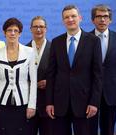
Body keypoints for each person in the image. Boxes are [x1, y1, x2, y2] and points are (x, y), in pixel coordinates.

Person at [45, 5, 103, 135]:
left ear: (80, 18)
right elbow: (51, 75)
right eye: (66, 17)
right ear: (63, 21)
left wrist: (94, 103)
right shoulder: (56, 42)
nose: (70, 19)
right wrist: (49, 102)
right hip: (60, 104)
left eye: (73, 16)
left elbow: (98, 75)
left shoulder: (94, 41)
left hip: (85, 104)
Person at [0, 17, 37, 135]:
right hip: (1, 103)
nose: (12, 33)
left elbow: (33, 81)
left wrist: (32, 105)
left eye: (16, 30)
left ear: (20, 33)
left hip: (23, 104)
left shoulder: (29, 52)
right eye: (9, 30)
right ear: (4, 33)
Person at [90, 4, 116, 135]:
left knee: (108, 130)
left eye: (105, 17)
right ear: (92, 20)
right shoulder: (85, 39)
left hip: (111, 93)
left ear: (110, 20)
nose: (102, 20)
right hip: (89, 93)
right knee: (89, 130)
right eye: (98, 17)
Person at [26, 16, 53, 135]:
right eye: (35, 27)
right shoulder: (23, 49)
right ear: (30, 29)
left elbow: (62, 73)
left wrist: (50, 82)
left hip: (49, 103)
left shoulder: (55, 48)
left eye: (41, 27)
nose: (38, 29)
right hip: (28, 103)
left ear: (46, 29)